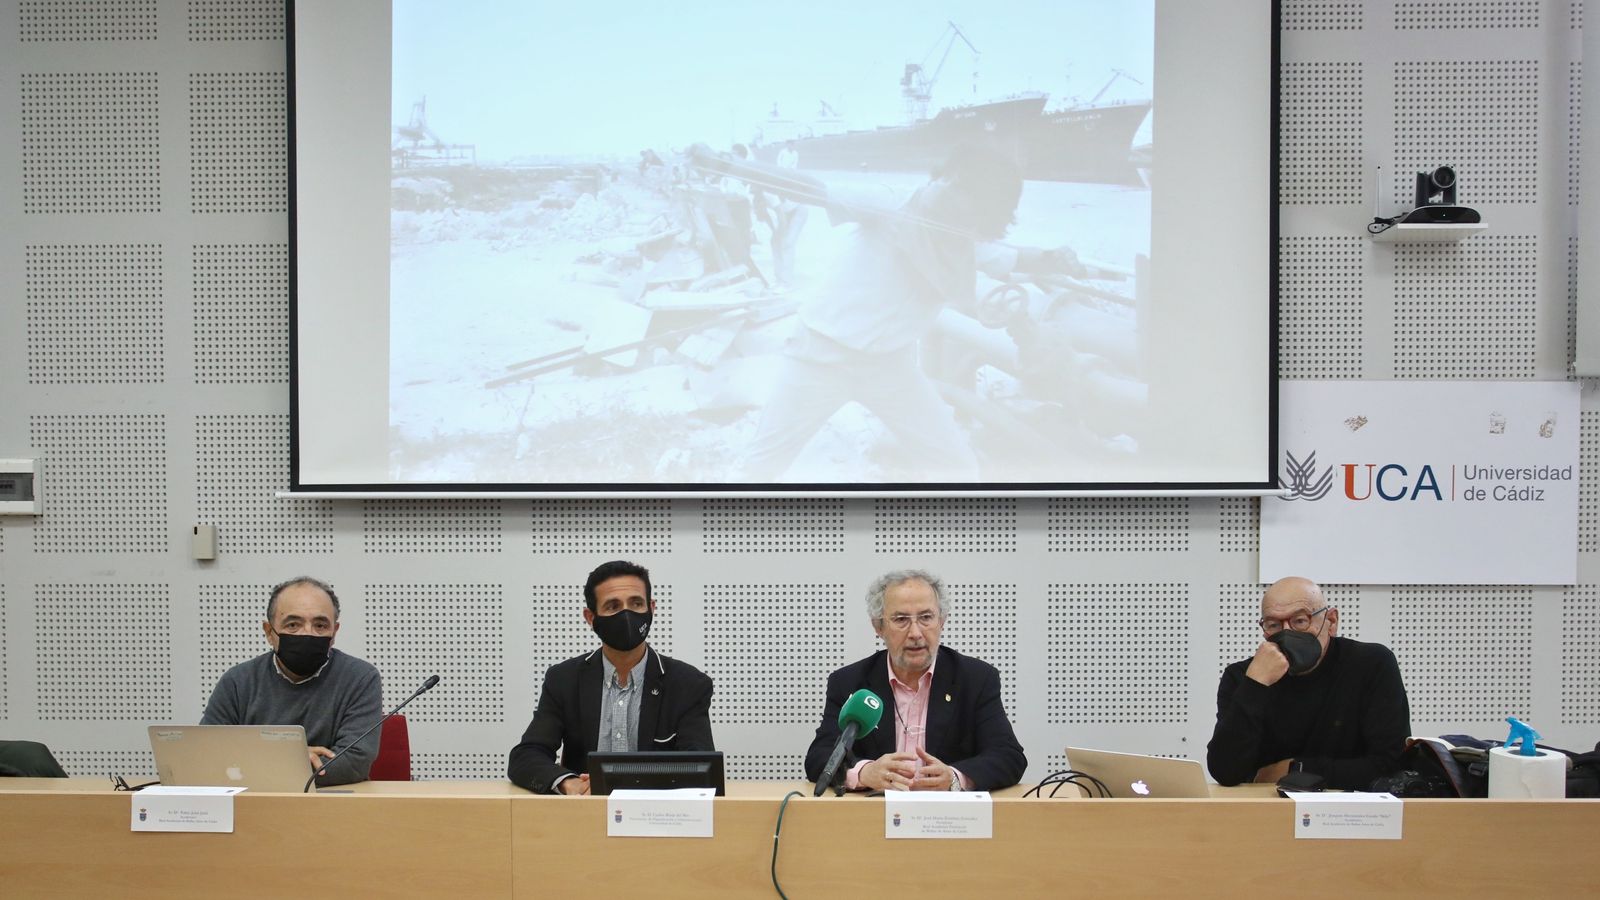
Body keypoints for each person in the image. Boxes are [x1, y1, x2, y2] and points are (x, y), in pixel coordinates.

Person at [691, 140, 1083, 482]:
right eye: (948, 180)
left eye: (966, 194)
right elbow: (809, 188)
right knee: (758, 468)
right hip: (818, 357)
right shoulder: (890, 200)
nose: (946, 190)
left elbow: (1009, 256)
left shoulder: (960, 236)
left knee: (958, 466)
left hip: (891, 369)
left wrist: (1054, 258)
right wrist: (728, 166)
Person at [805, 569, 1026, 792]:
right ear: (878, 627)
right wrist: (864, 772)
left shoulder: (975, 679)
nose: (915, 633)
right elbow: (819, 756)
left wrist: (954, 778)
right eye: (901, 619)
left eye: (926, 617)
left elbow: (1008, 756)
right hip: (874, 816)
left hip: (947, 820)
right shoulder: (850, 682)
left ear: (942, 621)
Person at [508, 560, 715, 794]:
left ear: (652, 608)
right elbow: (526, 756)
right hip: (584, 815)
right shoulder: (564, 679)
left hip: (658, 818)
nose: (626, 614)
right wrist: (568, 782)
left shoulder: (688, 684)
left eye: (636, 603)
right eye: (612, 606)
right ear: (590, 617)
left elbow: (700, 768)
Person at [1206, 576, 1411, 791]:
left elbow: (1391, 765)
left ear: (1331, 622)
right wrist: (1256, 685)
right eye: (1274, 625)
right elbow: (1225, 771)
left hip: (1351, 811)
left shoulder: (1371, 664)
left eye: (1300, 621)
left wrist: (1296, 770)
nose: (1287, 633)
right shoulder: (1243, 676)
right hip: (1267, 810)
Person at [201, 576, 384, 786]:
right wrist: (292, 759)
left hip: (330, 806)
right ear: (269, 632)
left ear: (334, 632)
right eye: (293, 624)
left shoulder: (360, 677)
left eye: (320, 625)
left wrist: (254, 764)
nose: (307, 633)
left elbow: (353, 763)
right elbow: (209, 756)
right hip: (253, 806)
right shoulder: (237, 681)